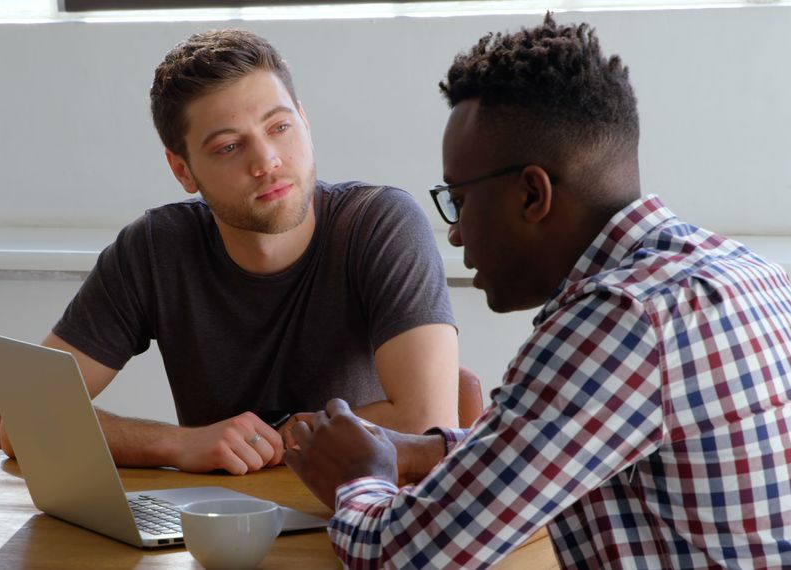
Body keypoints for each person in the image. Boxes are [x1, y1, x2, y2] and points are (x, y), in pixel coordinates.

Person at [285, 14, 791, 568]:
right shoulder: (748, 272)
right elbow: (567, 437)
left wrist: (358, 477)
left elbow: (400, 556)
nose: (454, 234)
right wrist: (422, 452)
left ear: (532, 194)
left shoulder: (618, 319)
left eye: (458, 199)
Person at [0, 29, 460, 476]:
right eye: (229, 147)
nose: (267, 162)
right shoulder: (155, 249)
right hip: (220, 519)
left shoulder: (380, 224)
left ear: (305, 122)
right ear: (183, 170)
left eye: (280, 127)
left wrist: (274, 437)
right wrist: (180, 443)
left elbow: (427, 423)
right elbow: (23, 422)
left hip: (356, 511)